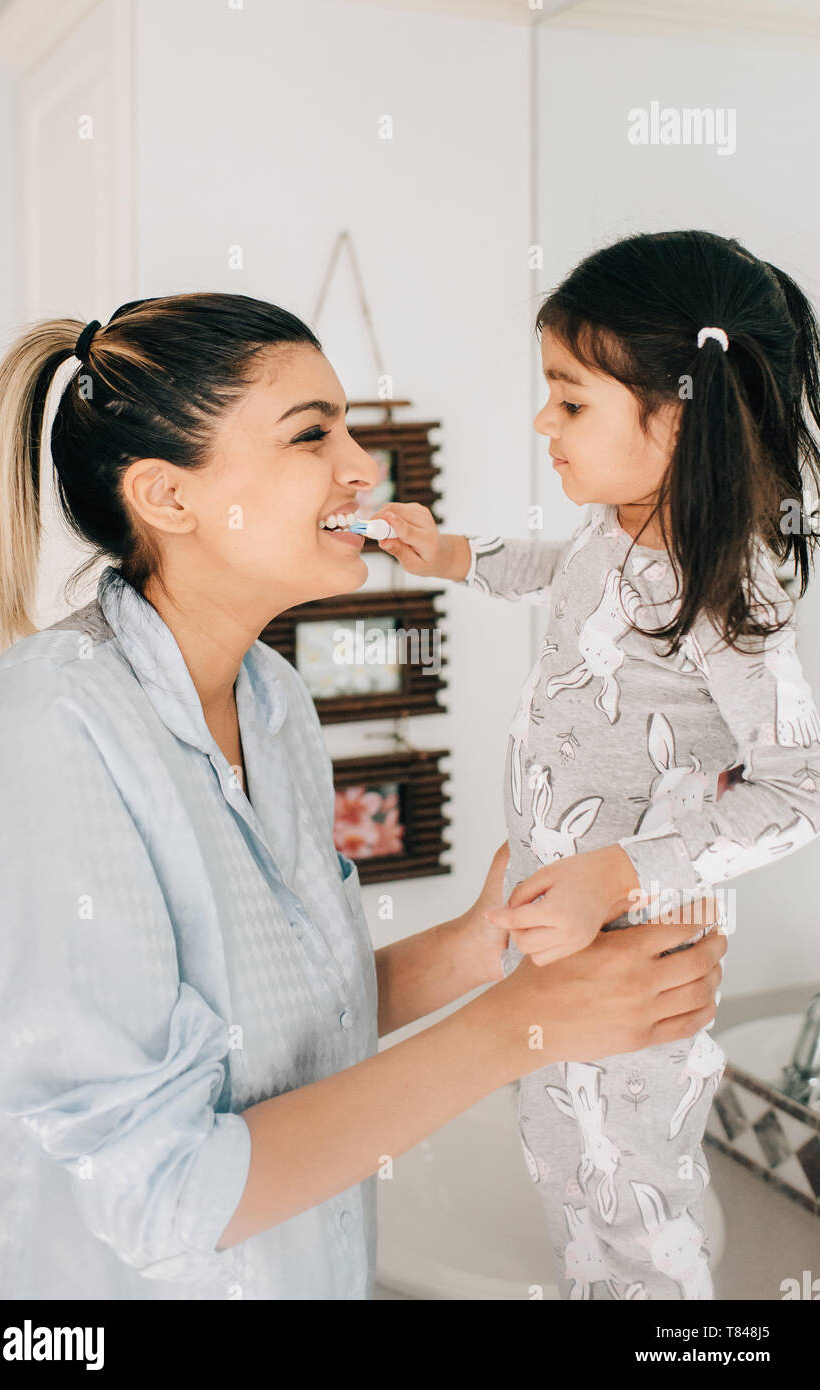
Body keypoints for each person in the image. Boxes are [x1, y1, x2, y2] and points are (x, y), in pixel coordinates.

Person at [0, 292, 725, 1300]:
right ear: (168, 497)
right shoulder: (46, 727)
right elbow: (159, 1191)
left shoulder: (273, 707)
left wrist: (479, 941)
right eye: (312, 433)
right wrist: (521, 1027)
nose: (363, 467)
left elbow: (269, 1032)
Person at [373, 229, 820, 1299]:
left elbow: (800, 790)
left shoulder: (732, 591)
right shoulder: (615, 531)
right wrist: (451, 555)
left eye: (570, 401)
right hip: (562, 922)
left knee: (635, 1180)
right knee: (563, 1146)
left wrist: (618, 874)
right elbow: (555, 572)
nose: (543, 422)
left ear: (675, 417)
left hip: (638, 941)